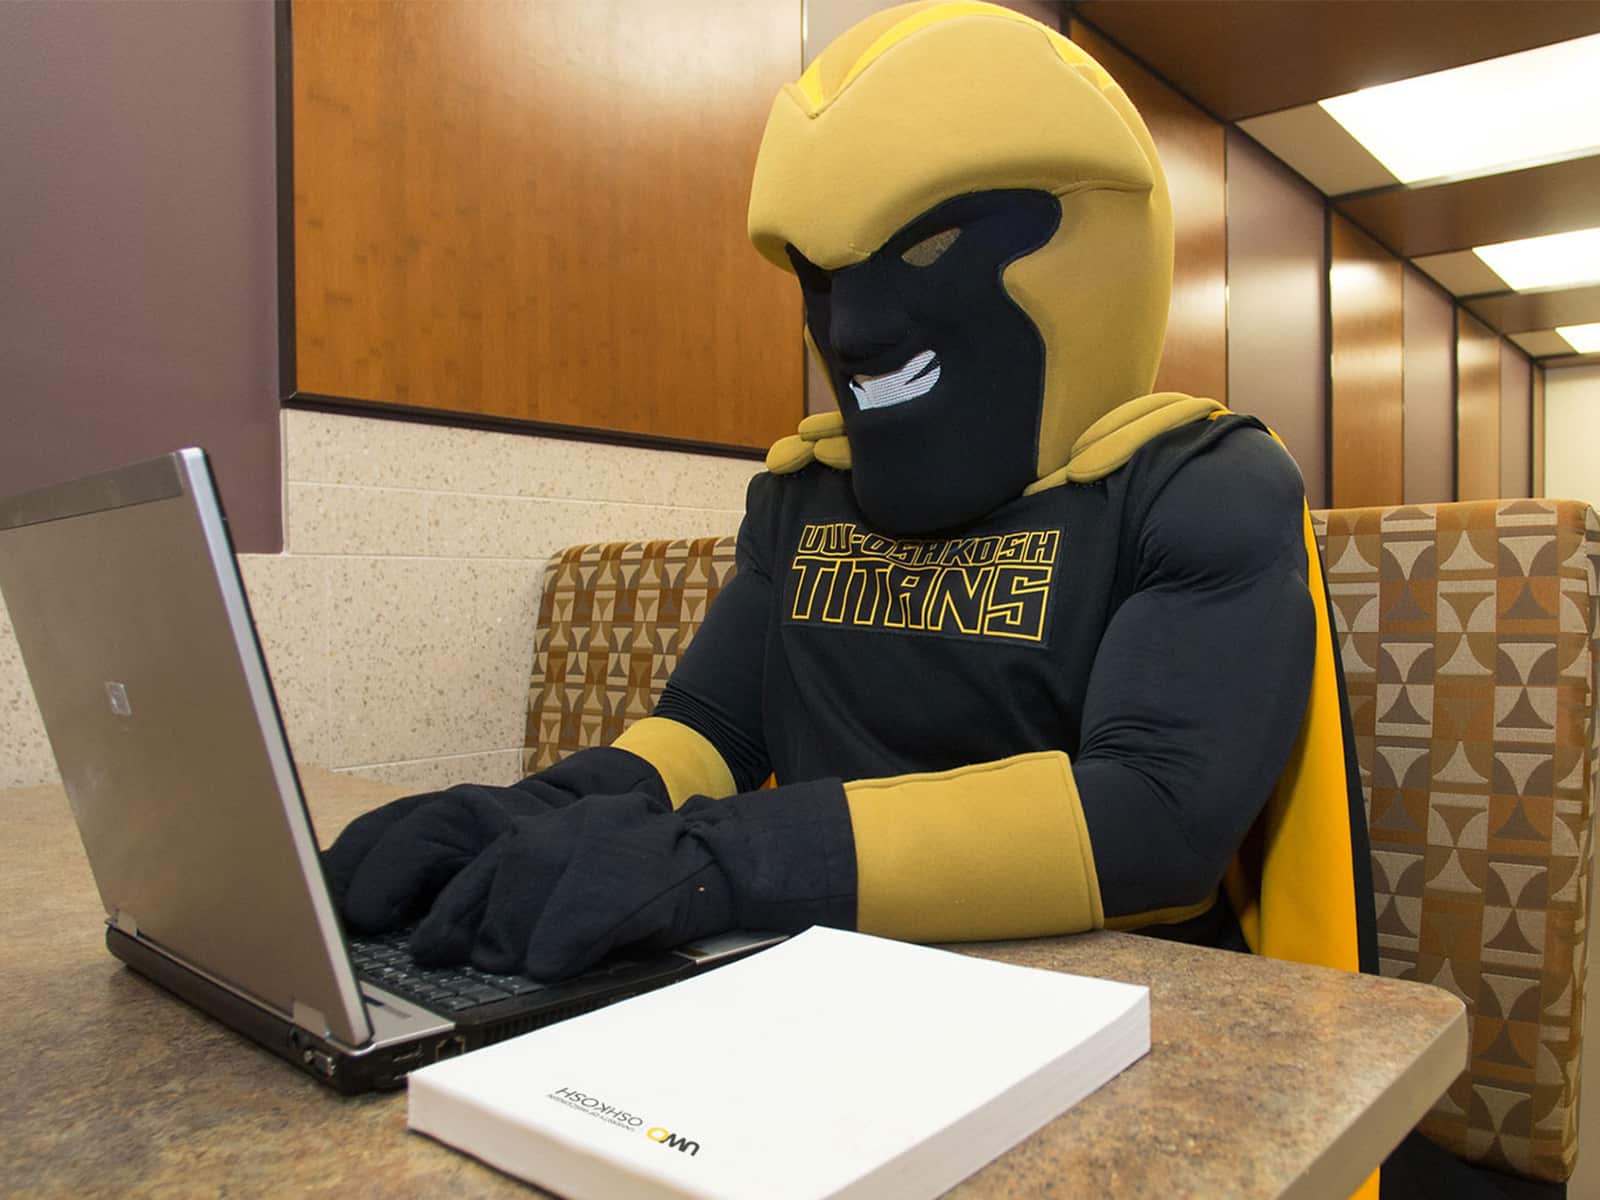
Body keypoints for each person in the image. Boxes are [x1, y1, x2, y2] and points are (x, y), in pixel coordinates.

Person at [328, 6, 1395, 1190]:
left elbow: (1152, 822)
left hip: (1106, 1042)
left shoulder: (1194, 483)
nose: (858, 326)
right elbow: (710, 732)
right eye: (822, 276)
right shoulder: (808, 493)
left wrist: (727, 860)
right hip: (806, 1021)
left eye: (930, 248)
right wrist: (523, 815)